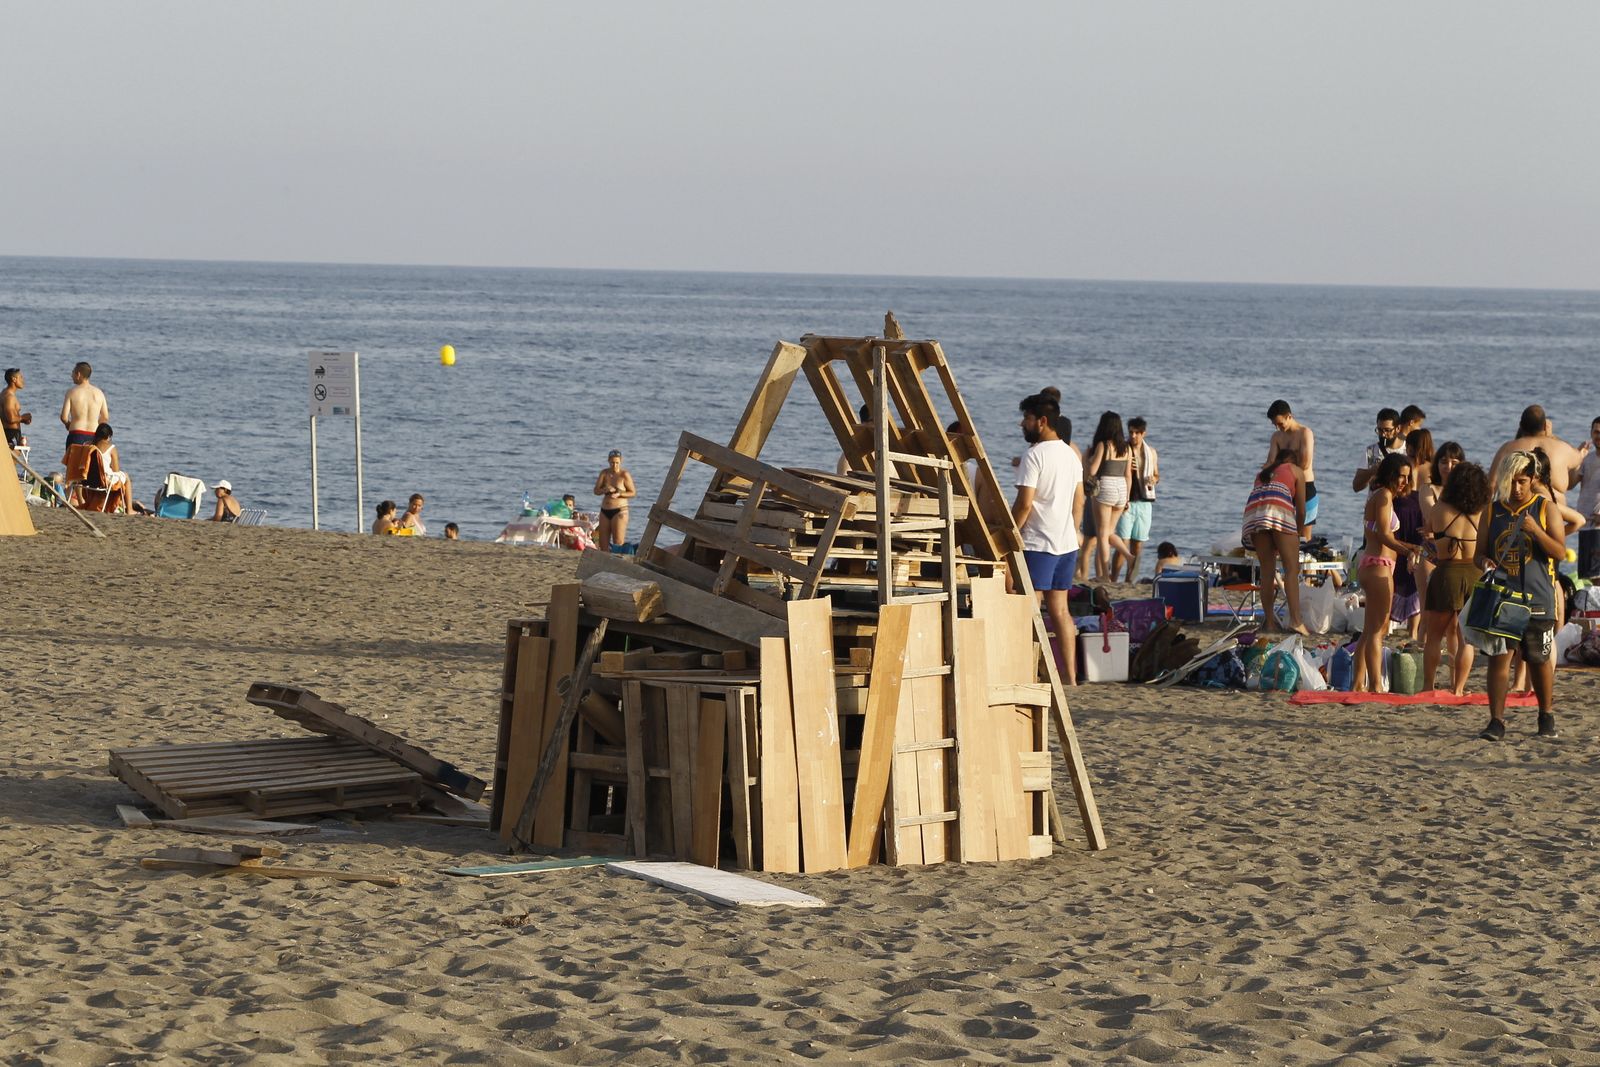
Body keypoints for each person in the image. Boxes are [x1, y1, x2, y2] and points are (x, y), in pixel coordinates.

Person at [1470, 450, 1565, 741]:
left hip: (1538, 598)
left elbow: (1560, 552)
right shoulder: (1492, 510)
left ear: (1533, 479)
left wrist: (1536, 530)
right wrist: (1484, 562)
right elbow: (1479, 553)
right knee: (1500, 658)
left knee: (1539, 659)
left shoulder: (1546, 508)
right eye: (1511, 481)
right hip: (1503, 598)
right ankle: (1496, 720)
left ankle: (1545, 714)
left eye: (1522, 481)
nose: (1516, 488)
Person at [1012, 390, 1084, 685]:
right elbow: (1079, 501)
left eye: (1026, 419)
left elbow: (1025, 503)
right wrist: (1074, 531)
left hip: (1038, 542)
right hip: (1066, 542)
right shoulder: (1071, 454)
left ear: (1042, 421)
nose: (1022, 424)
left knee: (1028, 607)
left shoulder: (1034, 455)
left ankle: (1027, 671)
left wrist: (1010, 533)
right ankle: (1070, 675)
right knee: (1061, 610)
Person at [1353, 454, 1422, 692]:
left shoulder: (1381, 495)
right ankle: (1375, 685)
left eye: (1407, 477)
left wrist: (1412, 548)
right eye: (1400, 476)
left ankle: (1357, 683)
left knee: (1370, 629)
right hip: (1378, 566)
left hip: (1375, 565)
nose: (1404, 481)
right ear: (1389, 474)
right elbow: (1384, 534)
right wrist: (1408, 550)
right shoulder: (1383, 496)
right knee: (1378, 630)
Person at [1421, 460, 1489, 694]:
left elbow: (1428, 530)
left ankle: (1428, 686)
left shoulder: (1440, 508)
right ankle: (1458, 689)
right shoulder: (1483, 513)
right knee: (1465, 640)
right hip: (1474, 574)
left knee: (1434, 637)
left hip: (1446, 573)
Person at [1241, 447, 1309, 635]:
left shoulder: (1263, 473)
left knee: (1267, 572)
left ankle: (1269, 622)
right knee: (1291, 569)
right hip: (1278, 510)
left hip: (1254, 514)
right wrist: (1297, 533)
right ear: (1293, 462)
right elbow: (1301, 510)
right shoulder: (1296, 471)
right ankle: (1296, 620)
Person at [1392, 429, 1435, 640]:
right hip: (1421, 518)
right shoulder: (1432, 468)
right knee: (1417, 572)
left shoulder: (1405, 464)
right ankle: (1413, 630)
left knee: (1400, 566)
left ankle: (1399, 623)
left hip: (1402, 513)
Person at [1488, 405, 1581, 500]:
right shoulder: (1562, 448)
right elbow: (1579, 456)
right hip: (1556, 510)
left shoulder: (1507, 448)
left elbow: (1491, 485)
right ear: (1545, 426)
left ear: (1520, 425)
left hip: (1517, 511)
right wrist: (1552, 436)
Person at [1083, 412, 1132, 581]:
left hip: (1106, 487)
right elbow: (1128, 475)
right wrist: (1127, 499)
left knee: (1102, 534)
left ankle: (1104, 574)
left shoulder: (1103, 445)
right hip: (1122, 489)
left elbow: (1093, 471)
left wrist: (1087, 459)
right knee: (1110, 532)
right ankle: (1128, 555)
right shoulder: (1127, 448)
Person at [1112, 416, 1159, 581]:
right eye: (1131, 432)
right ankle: (1114, 577)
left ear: (1143, 433)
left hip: (1144, 501)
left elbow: (1156, 474)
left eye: (1136, 433)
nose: (1133, 436)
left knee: (1138, 543)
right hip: (1127, 501)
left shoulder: (1150, 452)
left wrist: (1154, 479)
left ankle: (1130, 579)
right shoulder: (1123, 449)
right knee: (1122, 543)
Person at [1265, 400, 1317, 538]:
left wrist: (1279, 469)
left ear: (1289, 416)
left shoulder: (1305, 433)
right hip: (1284, 488)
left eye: (1280, 424)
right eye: (1274, 425)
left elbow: (1305, 463)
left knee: (1303, 535)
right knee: (1281, 531)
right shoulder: (1276, 437)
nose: (1277, 428)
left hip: (1305, 487)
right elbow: (1270, 461)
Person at [60, 361, 110, 458]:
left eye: (73, 373)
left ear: (78, 374)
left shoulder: (72, 392)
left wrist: (68, 424)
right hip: (93, 435)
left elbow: (64, 417)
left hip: (76, 434)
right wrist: (96, 426)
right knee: (89, 467)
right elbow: (105, 417)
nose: (71, 375)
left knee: (73, 467)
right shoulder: (99, 393)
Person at [1352, 407, 1406, 493]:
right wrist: (1371, 472)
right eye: (1380, 430)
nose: (1383, 434)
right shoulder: (1371, 451)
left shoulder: (1407, 450)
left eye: (1388, 430)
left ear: (1398, 429)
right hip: (1376, 503)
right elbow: (1356, 487)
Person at [594, 449, 637, 552]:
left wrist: (619, 493)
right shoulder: (604, 473)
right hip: (605, 510)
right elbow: (596, 491)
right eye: (612, 462)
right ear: (608, 461)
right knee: (603, 543)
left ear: (621, 461)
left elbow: (633, 492)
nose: (614, 465)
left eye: (617, 463)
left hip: (620, 510)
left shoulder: (624, 475)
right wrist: (605, 489)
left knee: (618, 543)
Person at [87, 423, 133, 513]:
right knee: (126, 477)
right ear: (108, 436)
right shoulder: (111, 448)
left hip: (89, 479)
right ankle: (130, 509)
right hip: (104, 479)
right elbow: (116, 470)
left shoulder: (89, 446)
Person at [1573, 416, 1600, 529]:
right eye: (1596, 432)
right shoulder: (1587, 458)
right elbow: (1570, 484)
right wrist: (1577, 457)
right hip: (1584, 522)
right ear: (1591, 433)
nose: (1599, 436)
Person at [2, 369, 32, 449]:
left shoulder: (4, 393)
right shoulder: (10, 397)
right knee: (12, 460)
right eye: (21, 377)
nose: (23, 380)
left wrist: (22, 420)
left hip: (7, 432)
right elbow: (11, 419)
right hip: (11, 434)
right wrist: (23, 417)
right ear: (14, 379)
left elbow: (6, 417)